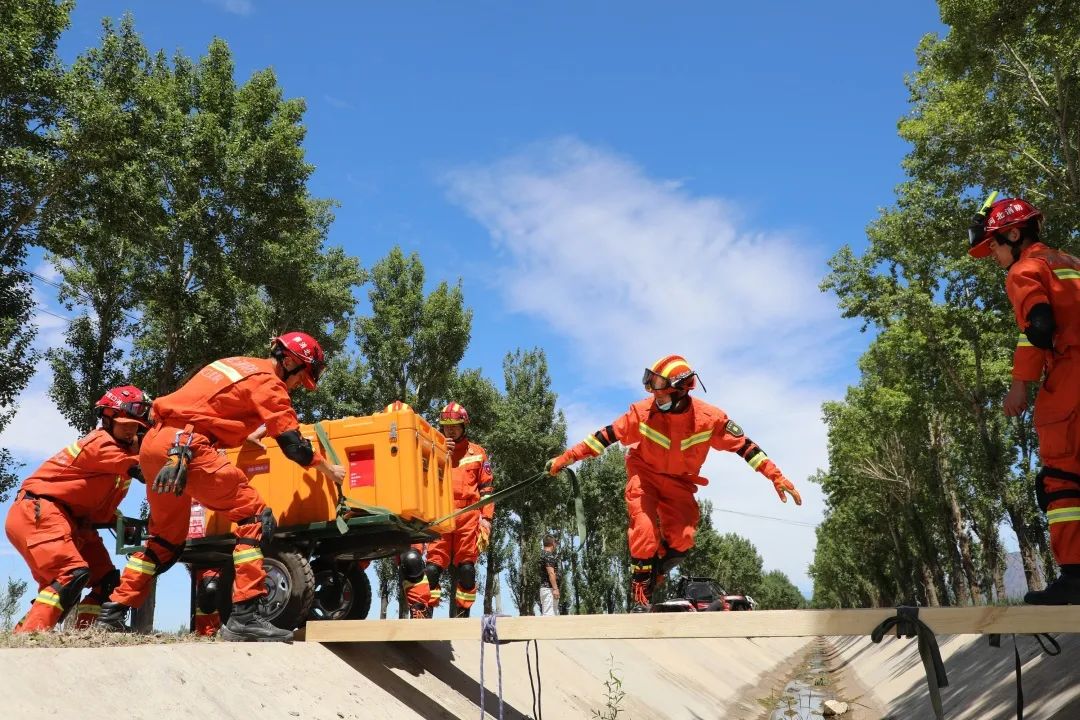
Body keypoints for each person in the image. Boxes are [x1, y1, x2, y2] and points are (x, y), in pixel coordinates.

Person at [97, 332, 346, 641]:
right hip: (188, 448)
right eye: (302, 376)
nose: (299, 385)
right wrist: (327, 468)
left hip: (158, 445)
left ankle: (112, 612)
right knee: (254, 516)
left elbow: (209, 405)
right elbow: (293, 445)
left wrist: (244, 435)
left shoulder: (236, 364)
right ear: (291, 361)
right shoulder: (270, 384)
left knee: (163, 542)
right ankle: (244, 616)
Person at [546, 355, 802, 612]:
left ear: (681, 392)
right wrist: (565, 459)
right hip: (644, 475)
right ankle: (640, 596)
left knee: (683, 539)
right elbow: (602, 438)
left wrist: (775, 476)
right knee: (644, 532)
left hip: (680, 482)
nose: (656, 399)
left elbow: (745, 446)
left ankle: (654, 572)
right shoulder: (643, 413)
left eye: (662, 394)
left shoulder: (709, 418)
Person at [968, 195, 1080, 604]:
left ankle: (1074, 578)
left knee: (1063, 480)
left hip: (1070, 377)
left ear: (1014, 234)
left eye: (994, 246)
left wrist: (1020, 385)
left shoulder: (1024, 269)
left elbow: (1038, 326)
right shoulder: (1069, 262)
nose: (994, 256)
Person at [4, 385, 150, 632]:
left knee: (106, 581)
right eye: (126, 424)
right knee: (70, 575)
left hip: (73, 521)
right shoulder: (100, 443)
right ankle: (29, 636)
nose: (131, 431)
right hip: (40, 511)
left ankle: (85, 633)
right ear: (107, 417)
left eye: (136, 426)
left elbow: (96, 503)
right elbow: (142, 469)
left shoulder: (118, 456)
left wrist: (118, 522)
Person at [423, 402, 494, 617]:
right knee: (432, 569)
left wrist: (486, 519)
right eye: (446, 426)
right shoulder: (432, 449)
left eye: (455, 425)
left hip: (469, 515)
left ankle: (463, 614)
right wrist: (440, 454)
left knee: (466, 569)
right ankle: (424, 612)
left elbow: (487, 489)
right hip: (442, 514)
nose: (450, 430)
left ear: (464, 426)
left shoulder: (478, 453)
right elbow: (422, 482)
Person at [539, 535, 560, 616]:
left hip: (546, 589)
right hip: (549, 590)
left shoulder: (542, 554)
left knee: (553, 617)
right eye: (555, 543)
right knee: (549, 617)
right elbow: (551, 573)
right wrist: (555, 588)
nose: (556, 545)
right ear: (552, 543)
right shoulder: (548, 555)